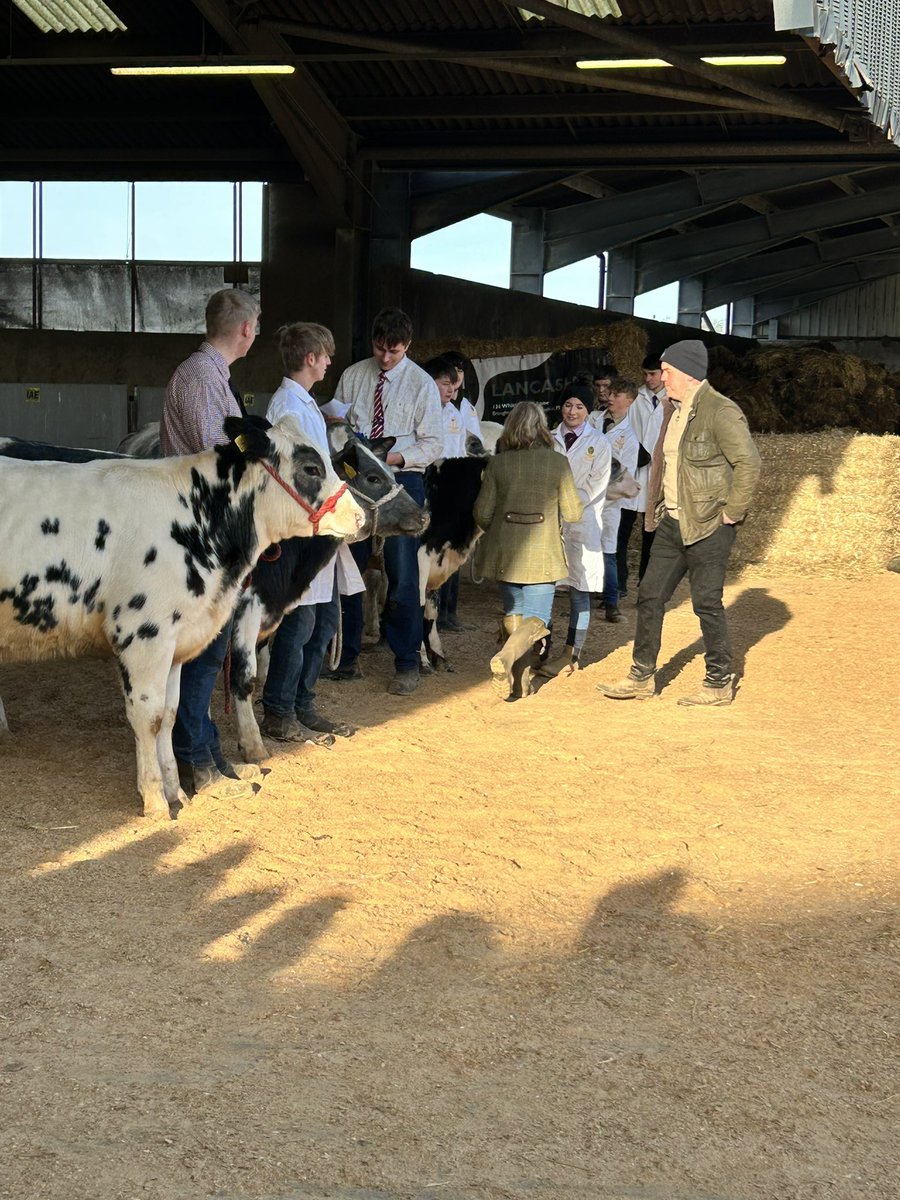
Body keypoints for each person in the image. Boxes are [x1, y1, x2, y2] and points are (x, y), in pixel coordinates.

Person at [599, 340, 761, 707]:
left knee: (706, 602)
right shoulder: (672, 409)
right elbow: (663, 463)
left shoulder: (721, 411)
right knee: (650, 595)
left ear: (686, 373)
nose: (660, 378)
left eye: (666, 371)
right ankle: (641, 675)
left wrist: (732, 513)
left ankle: (719, 680)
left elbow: (748, 464)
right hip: (672, 520)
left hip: (708, 523)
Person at [160, 287, 262, 800]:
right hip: (198, 529)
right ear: (245, 328)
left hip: (211, 527)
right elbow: (212, 455)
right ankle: (194, 755)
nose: (257, 332)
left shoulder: (211, 375)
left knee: (209, 645)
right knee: (200, 649)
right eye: (257, 324)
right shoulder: (201, 378)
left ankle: (205, 748)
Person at [326, 307, 442, 695]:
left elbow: (433, 443)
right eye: (380, 349)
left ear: (407, 346)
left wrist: (386, 457)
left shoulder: (422, 384)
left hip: (402, 479)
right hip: (358, 480)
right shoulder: (354, 375)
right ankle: (346, 658)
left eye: (393, 351)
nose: (385, 358)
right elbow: (337, 424)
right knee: (349, 565)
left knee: (403, 571)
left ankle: (406, 661)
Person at [260, 322, 364, 744]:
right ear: (309, 359)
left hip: (321, 528)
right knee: (299, 626)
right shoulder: (287, 407)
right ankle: (279, 711)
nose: (328, 362)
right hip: (301, 533)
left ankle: (303, 703)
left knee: (322, 624)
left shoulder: (304, 404)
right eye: (325, 356)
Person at [473, 401, 582, 700]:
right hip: (543, 554)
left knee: (515, 615)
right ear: (542, 428)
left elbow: (482, 514)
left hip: (505, 554)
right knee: (536, 620)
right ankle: (507, 660)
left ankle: (519, 683)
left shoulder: (497, 464)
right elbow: (573, 513)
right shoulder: (558, 463)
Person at [543, 385, 611, 672]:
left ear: (588, 411)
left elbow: (597, 484)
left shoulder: (600, 443)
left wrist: (566, 502)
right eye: (568, 404)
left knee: (579, 589)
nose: (572, 411)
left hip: (582, 523)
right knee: (543, 586)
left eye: (579, 406)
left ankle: (571, 654)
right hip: (548, 523)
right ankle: (540, 647)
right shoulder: (547, 439)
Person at [622, 354, 667, 586]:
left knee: (652, 529)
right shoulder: (634, 399)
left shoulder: (673, 400)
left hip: (659, 472)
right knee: (625, 525)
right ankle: (620, 583)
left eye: (653, 374)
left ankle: (646, 580)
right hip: (635, 469)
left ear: (663, 374)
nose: (648, 379)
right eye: (645, 374)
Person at [601, 378, 641, 623]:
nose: (611, 397)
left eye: (617, 395)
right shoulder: (594, 419)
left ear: (630, 401)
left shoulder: (630, 437)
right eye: (611, 393)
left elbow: (624, 473)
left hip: (609, 500)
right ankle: (580, 598)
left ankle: (611, 603)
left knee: (608, 551)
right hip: (586, 497)